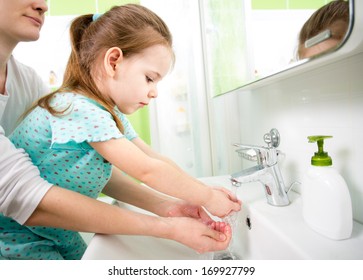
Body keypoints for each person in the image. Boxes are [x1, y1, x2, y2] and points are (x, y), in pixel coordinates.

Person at [0, 2, 241, 260]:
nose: (154, 91)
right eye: (150, 78)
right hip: (21, 237)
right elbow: (146, 170)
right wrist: (207, 196)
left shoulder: (104, 111)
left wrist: (182, 203)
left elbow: (154, 159)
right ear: (113, 61)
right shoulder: (77, 107)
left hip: (58, 230)